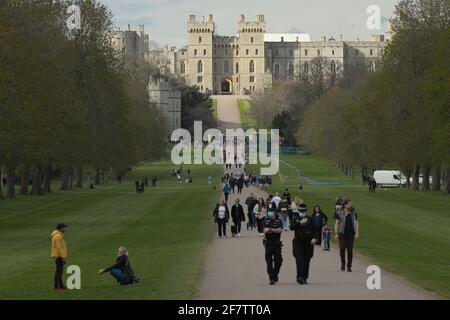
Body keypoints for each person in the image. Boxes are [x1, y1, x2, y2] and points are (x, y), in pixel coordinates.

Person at [290, 201, 316, 285]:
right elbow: (292, 227)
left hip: (308, 242)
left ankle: (304, 277)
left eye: (303, 211)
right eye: (300, 211)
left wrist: (314, 238)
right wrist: (300, 222)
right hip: (298, 241)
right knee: (299, 259)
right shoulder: (295, 217)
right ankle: (299, 276)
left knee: (306, 259)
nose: (302, 213)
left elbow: (314, 230)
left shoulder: (310, 219)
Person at [335, 199, 359, 272]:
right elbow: (336, 223)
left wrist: (357, 233)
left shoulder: (353, 213)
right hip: (342, 234)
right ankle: (343, 263)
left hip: (351, 234)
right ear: (345, 205)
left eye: (351, 204)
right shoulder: (340, 213)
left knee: (350, 250)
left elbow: (357, 223)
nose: (350, 205)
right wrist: (336, 233)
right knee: (342, 248)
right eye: (349, 204)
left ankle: (349, 266)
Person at [263, 209, 283, 285]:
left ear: (275, 212)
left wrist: (271, 230)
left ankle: (275, 274)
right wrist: (272, 230)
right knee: (269, 262)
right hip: (268, 244)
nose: (270, 213)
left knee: (279, 261)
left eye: (272, 211)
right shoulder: (266, 221)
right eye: (269, 212)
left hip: (277, 243)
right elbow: (265, 229)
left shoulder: (278, 221)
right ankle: (271, 278)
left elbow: (279, 230)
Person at [51, 223, 68, 291]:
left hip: (58, 255)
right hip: (58, 256)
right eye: (64, 227)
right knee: (58, 271)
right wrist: (63, 257)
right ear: (61, 228)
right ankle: (56, 287)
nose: (65, 229)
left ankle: (61, 286)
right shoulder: (58, 236)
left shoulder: (58, 235)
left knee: (60, 271)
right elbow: (59, 248)